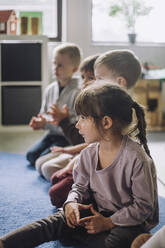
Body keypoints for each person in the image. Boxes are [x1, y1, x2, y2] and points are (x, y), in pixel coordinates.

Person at [0, 82, 158, 248]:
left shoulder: (137, 159)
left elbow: (142, 207)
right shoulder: (88, 154)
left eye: (83, 118)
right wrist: (71, 203)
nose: (77, 124)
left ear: (106, 123)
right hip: (97, 211)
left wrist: (108, 222)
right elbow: (79, 188)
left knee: (118, 239)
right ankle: (5, 243)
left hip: (128, 221)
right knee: (57, 221)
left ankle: (132, 240)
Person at [49, 49, 142, 207]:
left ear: (120, 82)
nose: (92, 83)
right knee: (55, 178)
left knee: (57, 192)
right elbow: (93, 146)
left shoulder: (120, 114)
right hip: (93, 163)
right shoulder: (103, 104)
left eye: (98, 78)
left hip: (106, 179)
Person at [35, 54, 99, 183]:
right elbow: (84, 141)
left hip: (72, 142)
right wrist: (42, 122)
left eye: (90, 78)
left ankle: (78, 180)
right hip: (69, 141)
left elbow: (90, 144)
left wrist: (63, 122)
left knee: (47, 169)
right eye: (83, 77)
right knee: (38, 162)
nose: (85, 82)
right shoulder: (51, 89)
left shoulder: (80, 95)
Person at [26, 43, 82, 165]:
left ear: (74, 69)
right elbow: (44, 113)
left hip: (66, 138)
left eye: (60, 65)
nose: (55, 68)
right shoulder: (50, 89)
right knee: (30, 156)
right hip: (51, 135)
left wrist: (62, 119)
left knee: (42, 158)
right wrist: (41, 122)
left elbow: (76, 123)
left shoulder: (78, 92)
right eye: (54, 63)